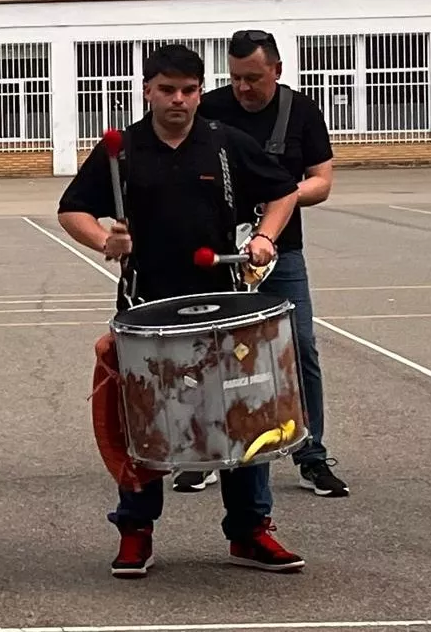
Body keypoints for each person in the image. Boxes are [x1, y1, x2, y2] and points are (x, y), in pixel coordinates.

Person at [57, 44, 306, 578]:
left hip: (221, 304)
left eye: (189, 90)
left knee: (241, 419)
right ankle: (136, 531)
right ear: (146, 89)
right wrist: (105, 239)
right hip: (148, 307)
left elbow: (284, 191)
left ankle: (249, 531)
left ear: (198, 91)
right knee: (144, 422)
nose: (178, 100)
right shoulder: (122, 150)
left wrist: (264, 237)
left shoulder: (222, 143)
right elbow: (71, 209)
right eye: (166, 89)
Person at [197, 30, 347, 498]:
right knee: (211, 353)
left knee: (299, 349)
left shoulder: (300, 111)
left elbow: (321, 181)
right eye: (236, 77)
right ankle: (205, 454)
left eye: (254, 78)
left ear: (277, 71)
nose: (243, 88)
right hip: (219, 254)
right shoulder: (211, 109)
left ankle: (312, 455)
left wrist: (280, 199)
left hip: (281, 253)